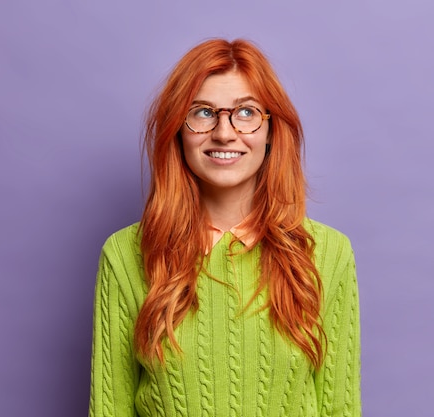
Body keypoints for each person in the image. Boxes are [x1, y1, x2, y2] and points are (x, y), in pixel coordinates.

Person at [88, 38, 361, 417]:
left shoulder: (328, 253)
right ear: (178, 129)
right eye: (202, 113)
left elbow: (339, 408)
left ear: (271, 130)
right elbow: (109, 409)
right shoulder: (125, 254)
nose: (224, 132)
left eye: (246, 112)